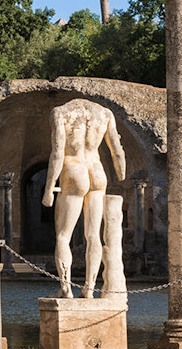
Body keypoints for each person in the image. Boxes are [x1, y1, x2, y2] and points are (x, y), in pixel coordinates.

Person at [42, 99, 126, 298]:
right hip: (97, 171)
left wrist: (48, 188)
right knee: (93, 235)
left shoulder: (60, 112)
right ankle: (89, 289)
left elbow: (57, 153)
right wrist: (121, 171)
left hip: (74, 170)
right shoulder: (105, 113)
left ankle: (66, 289)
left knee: (63, 236)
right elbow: (117, 149)